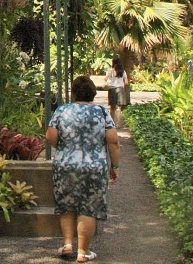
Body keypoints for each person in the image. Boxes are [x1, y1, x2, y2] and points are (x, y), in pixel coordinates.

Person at [46, 76, 121, 262]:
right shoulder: (102, 113)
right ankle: (83, 252)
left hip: (65, 164)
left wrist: (65, 149)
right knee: (89, 207)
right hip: (94, 166)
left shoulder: (62, 110)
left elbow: (50, 136)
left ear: (73, 93)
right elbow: (113, 141)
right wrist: (115, 166)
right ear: (93, 94)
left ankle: (67, 244)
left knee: (66, 204)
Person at [104, 57, 128, 127]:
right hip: (120, 89)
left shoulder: (110, 71)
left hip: (112, 89)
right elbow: (126, 82)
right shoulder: (123, 71)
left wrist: (110, 80)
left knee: (112, 108)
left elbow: (105, 79)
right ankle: (118, 124)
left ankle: (111, 124)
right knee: (120, 108)